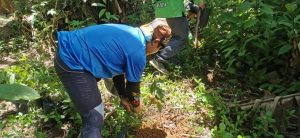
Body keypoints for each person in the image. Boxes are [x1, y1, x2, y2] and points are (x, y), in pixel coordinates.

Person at [54, 23, 171, 138]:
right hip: (71, 59)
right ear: (156, 42)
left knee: (91, 102)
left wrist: (123, 96)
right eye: (159, 48)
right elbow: (133, 88)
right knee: (94, 118)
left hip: (69, 47)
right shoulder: (138, 53)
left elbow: (117, 72)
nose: (156, 51)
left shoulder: (132, 33)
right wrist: (136, 105)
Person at [149, 0, 206, 74]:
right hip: (175, 9)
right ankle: (160, 58)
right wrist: (199, 3)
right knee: (180, 38)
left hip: (162, 9)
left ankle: (174, 64)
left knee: (175, 38)